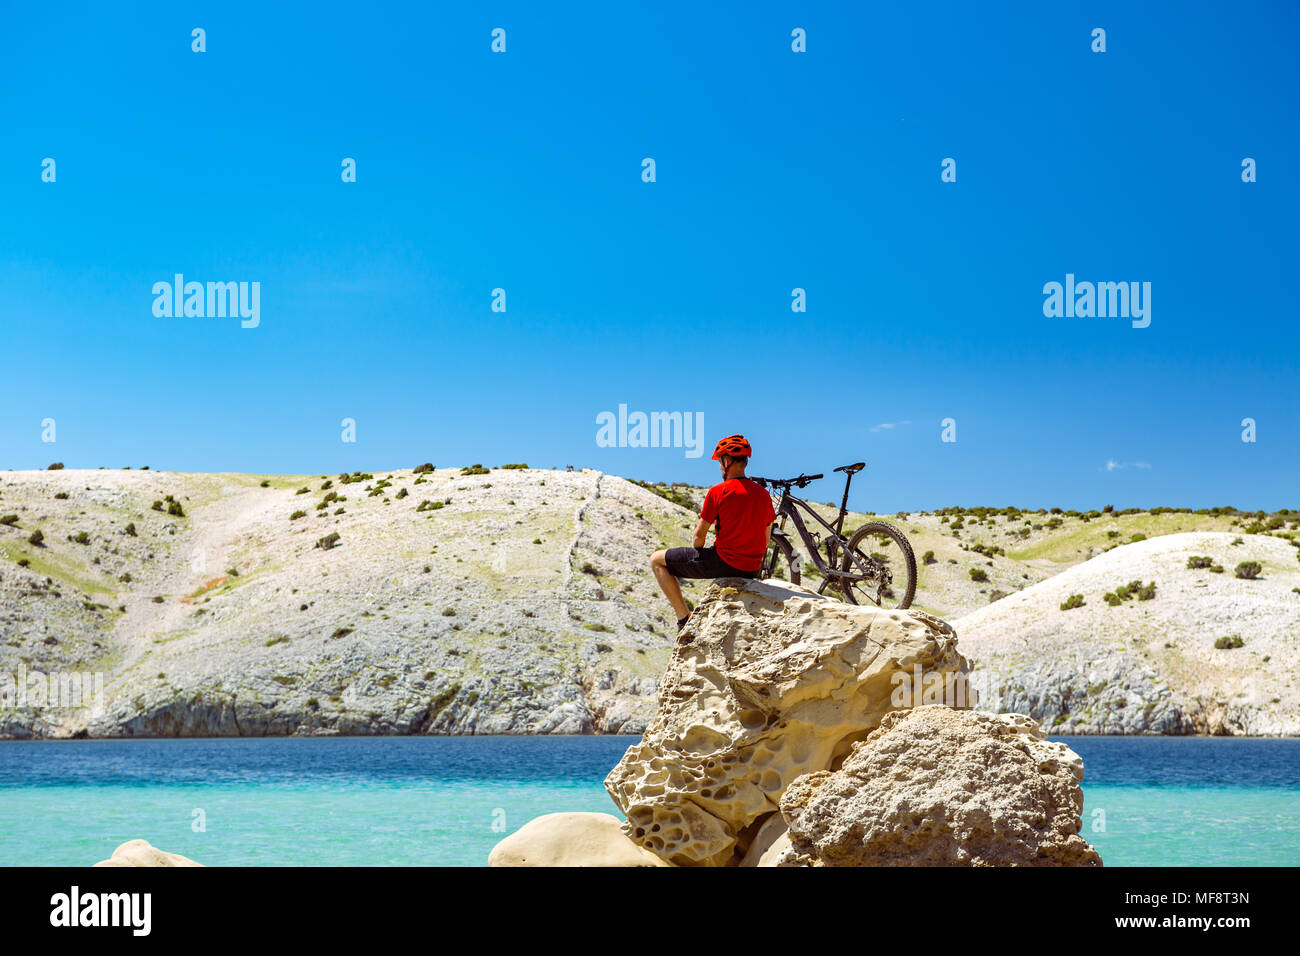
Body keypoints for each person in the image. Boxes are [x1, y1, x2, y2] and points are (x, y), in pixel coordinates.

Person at [650, 434, 776, 632]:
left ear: (727, 461)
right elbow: (766, 539)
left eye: (719, 461)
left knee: (656, 560)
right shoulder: (764, 494)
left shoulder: (718, 491)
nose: (719, 466)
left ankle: (684, 619)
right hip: (752, 568)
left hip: (723, 563)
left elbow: (698, 537)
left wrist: (699, 551)